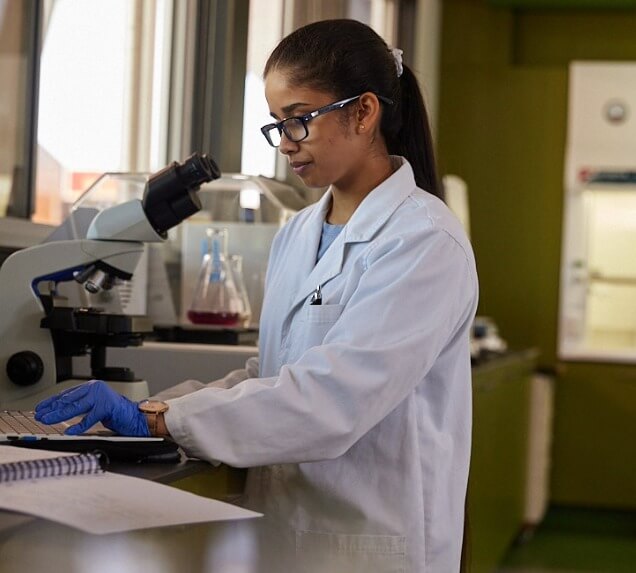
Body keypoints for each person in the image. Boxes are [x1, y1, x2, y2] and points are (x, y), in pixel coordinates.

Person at [36, 19, 478, 573]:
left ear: (364, 112)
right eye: (277, 125)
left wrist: (159, 423)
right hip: (284, 536)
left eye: (299, 121)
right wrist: (159, 409)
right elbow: (274, 372)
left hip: (372, 544)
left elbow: (333, 401)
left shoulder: (424, 242)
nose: (286, 144)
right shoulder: (297, 232)